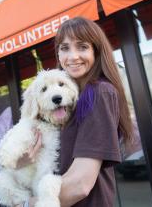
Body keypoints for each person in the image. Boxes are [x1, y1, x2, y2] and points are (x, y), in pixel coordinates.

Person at [16, 17, 134, 207]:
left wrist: (25, 205)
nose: (72, 57)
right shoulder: (68, 101)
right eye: (64, 48)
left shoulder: (98, 92)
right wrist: (22, 161)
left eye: (82, 47)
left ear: (96, 50)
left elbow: (80, 184)